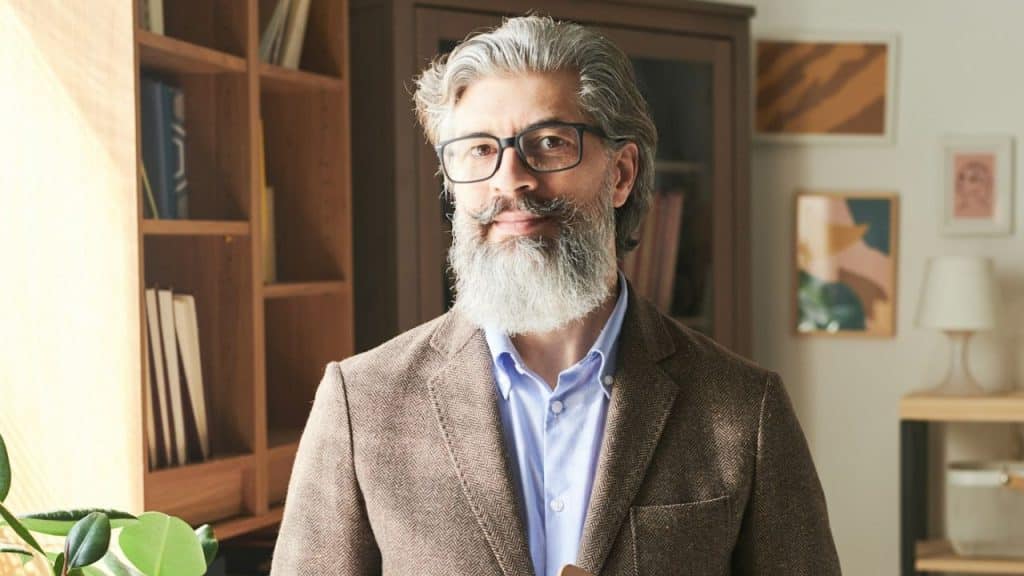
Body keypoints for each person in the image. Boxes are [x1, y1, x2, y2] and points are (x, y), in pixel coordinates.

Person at [271, 15, 840, 576]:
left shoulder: (744, 409)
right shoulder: (362, 405)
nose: (510, 178)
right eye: (478, 150)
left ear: (620, 174)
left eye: (548, 143)